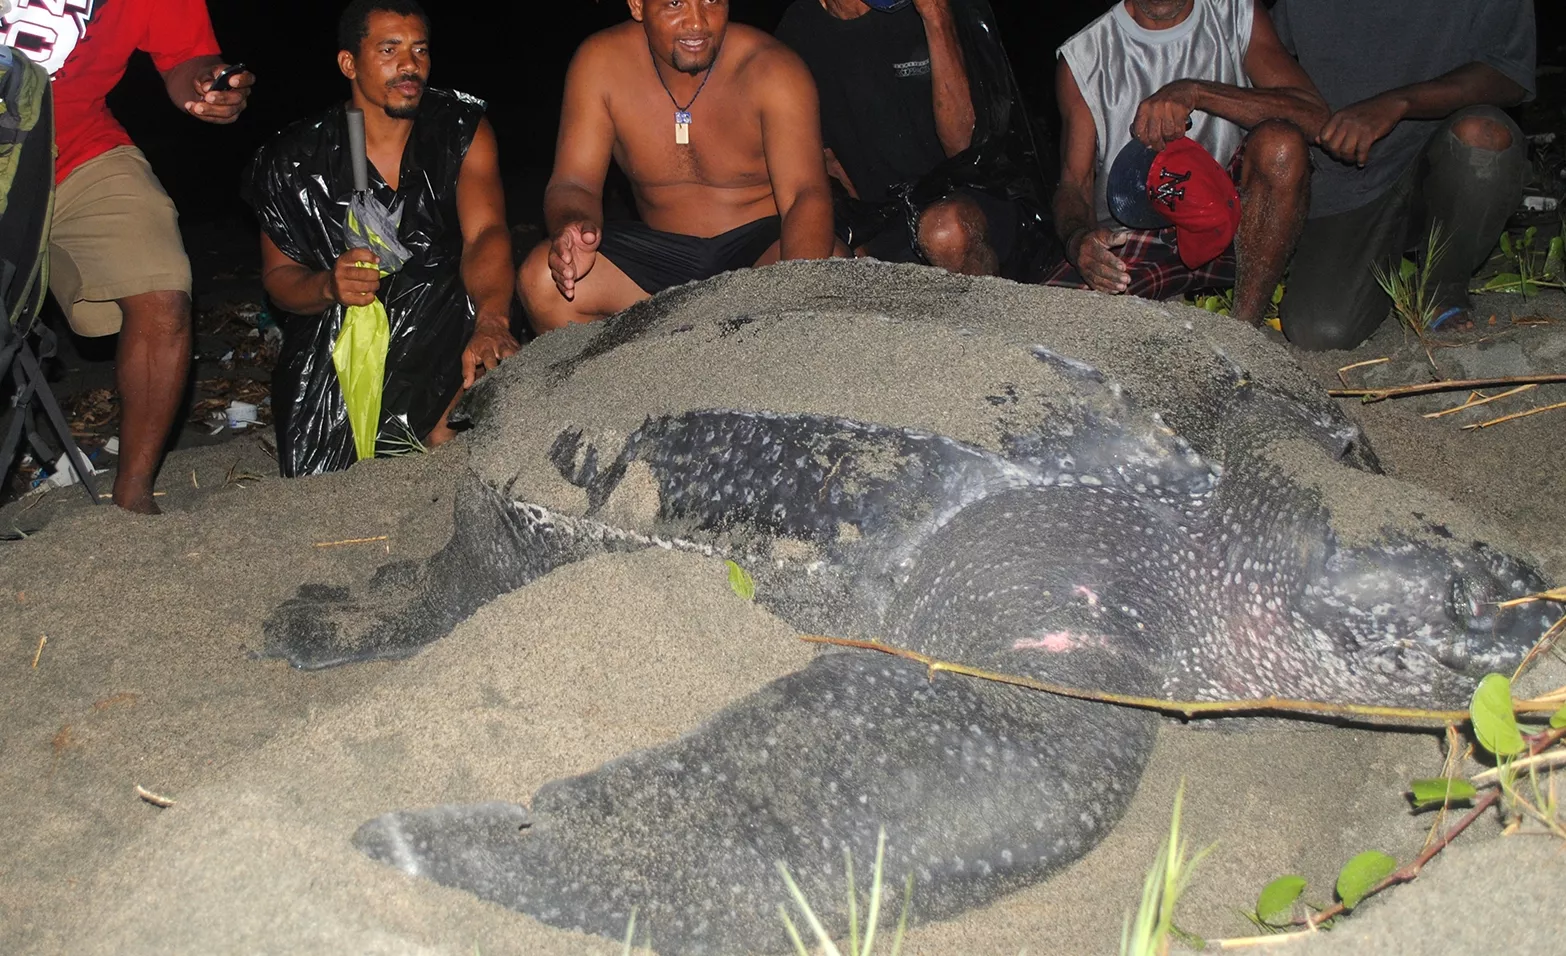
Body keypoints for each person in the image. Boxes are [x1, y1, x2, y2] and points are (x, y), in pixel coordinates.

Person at [244, 0, 517, 477]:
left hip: (441, 316)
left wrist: (493, 319)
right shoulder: (293, 158)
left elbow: (485, 234)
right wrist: (329, 285)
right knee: (322, 471)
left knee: (460, 289)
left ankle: (444, 430)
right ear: (349, 63)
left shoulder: (459, 129)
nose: (409, 65)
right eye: (389, 50)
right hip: (340, 331)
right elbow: (280, 279)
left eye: (420, 50)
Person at [7, 0, 254, 513]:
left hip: (74, 147)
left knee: (162, 291)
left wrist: (205, 85)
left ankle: (133, 499)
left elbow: (186, 59)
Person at [519, 0, 837, 332]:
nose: (697, 22)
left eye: (711, 0)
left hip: (760, 252)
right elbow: (574, 184)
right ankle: (634, 380)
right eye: (675, 3)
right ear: (638, 5)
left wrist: (798, 289)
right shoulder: (601, 64)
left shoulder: (772, 68)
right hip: (659, 261)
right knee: (541, 280)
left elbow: (806, 196)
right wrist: (572, 226)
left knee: (830, 268)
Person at [1270, 0, 1535, 350]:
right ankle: (1383, 261)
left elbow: (1509, 74)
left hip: (1444, 152)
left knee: (1483, 137)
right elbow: (1264, 51)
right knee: (1321, 330)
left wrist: (1399, 102)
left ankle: (1441, 287)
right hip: (1349, 172)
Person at [1046, 0, 1327, 327]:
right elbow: (1073, 184)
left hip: (1235, 218)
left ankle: (1243, 332)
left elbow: (1316, 117)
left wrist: (1198, 93)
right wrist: (1078, 240)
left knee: (1281, 144)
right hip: (1135, 235)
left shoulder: (1236, 15)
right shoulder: (1086, 55)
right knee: (1055, 324)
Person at [774, 0, 1044, 278]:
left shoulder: (933, 8)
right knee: (822, 255)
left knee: (944, 229)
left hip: (972, 198)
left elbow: (967, 148)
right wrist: (863, 244)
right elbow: (827, 160)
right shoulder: (797, 29)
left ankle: (989, 314)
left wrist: (935, 16)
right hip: (884, 217)